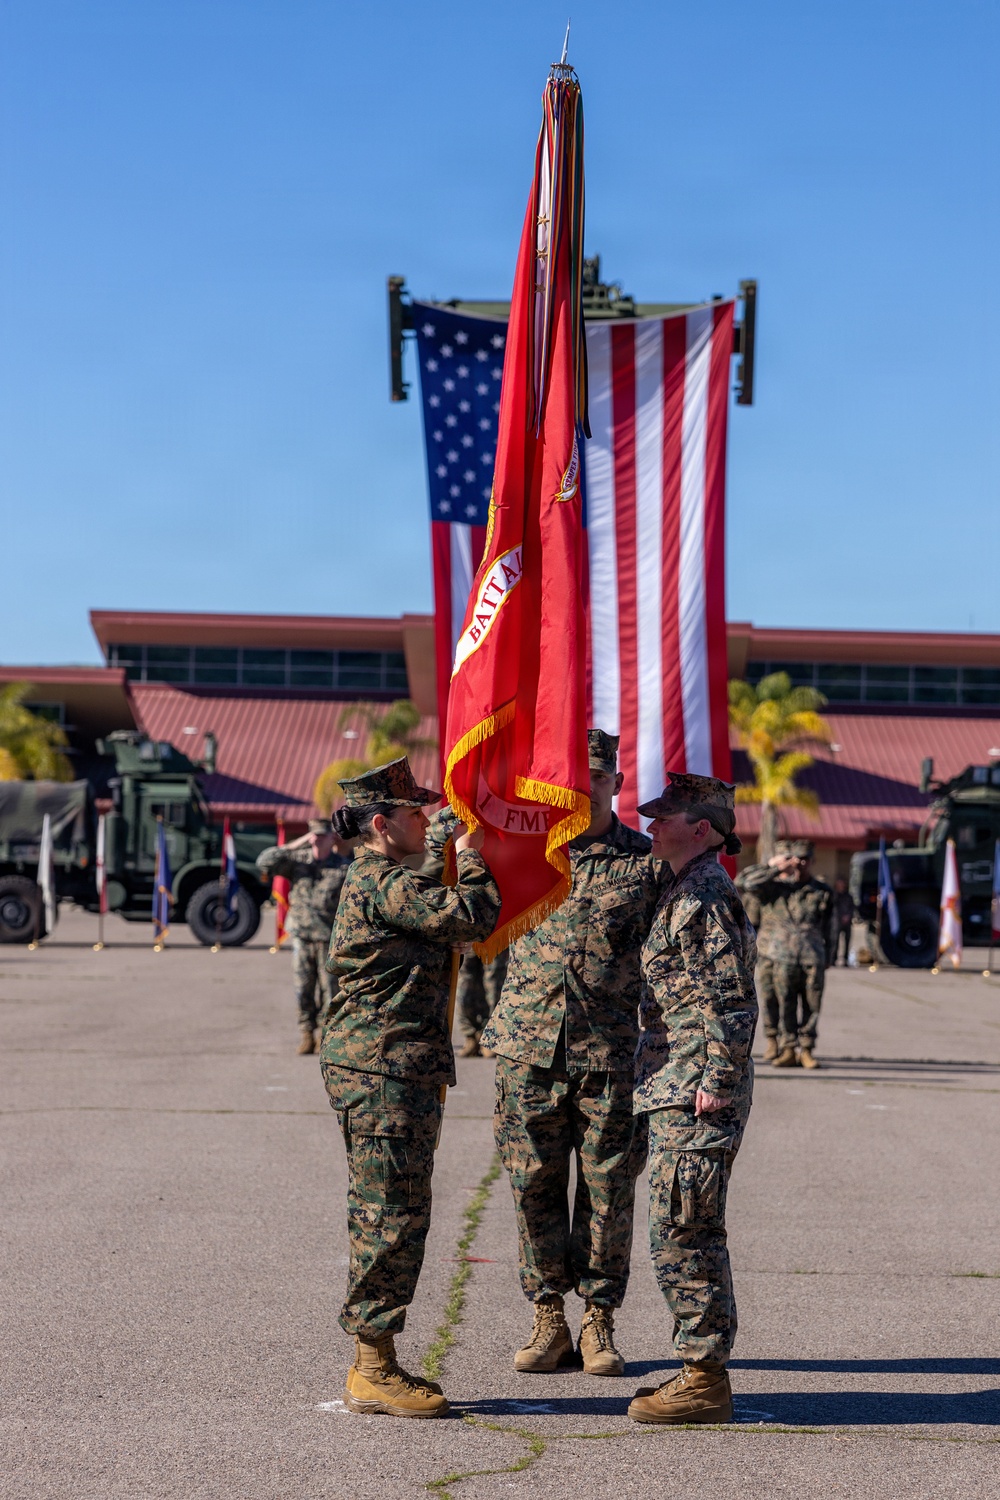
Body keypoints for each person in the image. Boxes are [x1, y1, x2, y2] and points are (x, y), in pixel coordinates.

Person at [319, 757, 500, 1420]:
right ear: (379, 823)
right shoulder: (377, 881)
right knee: (388, 1215)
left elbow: (423, 885)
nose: (428, 818)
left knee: (395, 1211)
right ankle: (372, 1367)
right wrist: (472, 854)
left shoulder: (385, 876)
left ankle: (377, 1358)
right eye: (416, 811)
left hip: (393, 1066)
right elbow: (469, 914)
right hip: (384, 1068)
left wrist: (436, 844)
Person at [482, 730, 662, 1377]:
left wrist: (665, 1051)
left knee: (609, 1190)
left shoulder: (645, 863)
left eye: (596, 778)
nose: (584, 790)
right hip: (528, 1048)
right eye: (572, 779)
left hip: (611, 1056)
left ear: (615, 783)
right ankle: (548, 1315)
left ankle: (600, 1320)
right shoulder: (526, 854)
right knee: (533, 1185)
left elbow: (667, 963)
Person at [627, 773, 757, 1426]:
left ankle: (704, 1377)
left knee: (687, 1232)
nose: (651, 827)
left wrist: (716, 1080)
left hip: (696, 1090)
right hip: (675, 1083)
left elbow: (729, 999)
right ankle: (700, 1368)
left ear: (700, 829)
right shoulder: (682, 886)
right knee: (678, 1228)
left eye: (664, 818)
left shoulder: (705, 894)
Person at [737, 839, 835, 1069]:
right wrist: (775, 868)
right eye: (795, 859)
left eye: (805, 859)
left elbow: (830, 927)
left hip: (812, 956)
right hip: (779, 955)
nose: (800, 864)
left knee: (812, 1005)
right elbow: (743, 882)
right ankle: (786, 1046)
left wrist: (830, 955)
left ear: (812, 861)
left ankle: (807, 1049)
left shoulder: (821, 891)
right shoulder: (773, 888)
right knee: (783, 1003)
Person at [256, 819, 351, 1054]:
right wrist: (295, 844)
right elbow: (264, 861)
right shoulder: (298, 862)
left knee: (330, 990)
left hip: (329, 939)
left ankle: (325, 1036)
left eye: (322, 836)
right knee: (303, 988)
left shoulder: (342, 867)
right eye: (314, 836)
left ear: (332, 839)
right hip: (302, 936)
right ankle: (306, 1033)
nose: (317, 841)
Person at [421, 807, 508, 1057]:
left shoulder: (494, 843)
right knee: (466, 981)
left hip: (493, 926)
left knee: (495, 980)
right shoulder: (440, 855)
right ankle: (471, 1034)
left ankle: (492, 1036)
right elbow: (428, 884)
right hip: (460, 928)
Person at [831, 876, 855, 965]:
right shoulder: (834, 895)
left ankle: (845, 959)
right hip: (837, 921)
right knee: (835, 941)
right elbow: (833, 908)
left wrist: (848, 916)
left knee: (847, 940)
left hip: (847, 922)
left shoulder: (848, 896)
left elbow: (852, 907)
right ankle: (833, 958)